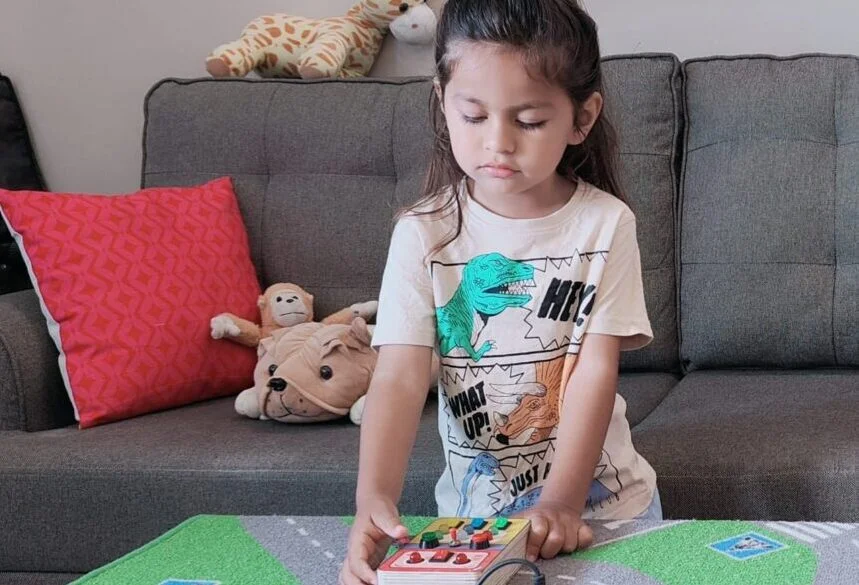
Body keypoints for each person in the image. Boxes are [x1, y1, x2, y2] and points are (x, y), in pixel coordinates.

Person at [340, 1, 661, 583]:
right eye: (474, 116)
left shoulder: (606, 223)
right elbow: (400, 375)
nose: (498, 143)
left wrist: (562, 502)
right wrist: (373, 499)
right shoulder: (422, 233)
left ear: (581, 118)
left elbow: (594, 372)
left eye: (530, 121)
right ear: (443, 104)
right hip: (476, 523)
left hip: (610, 508)